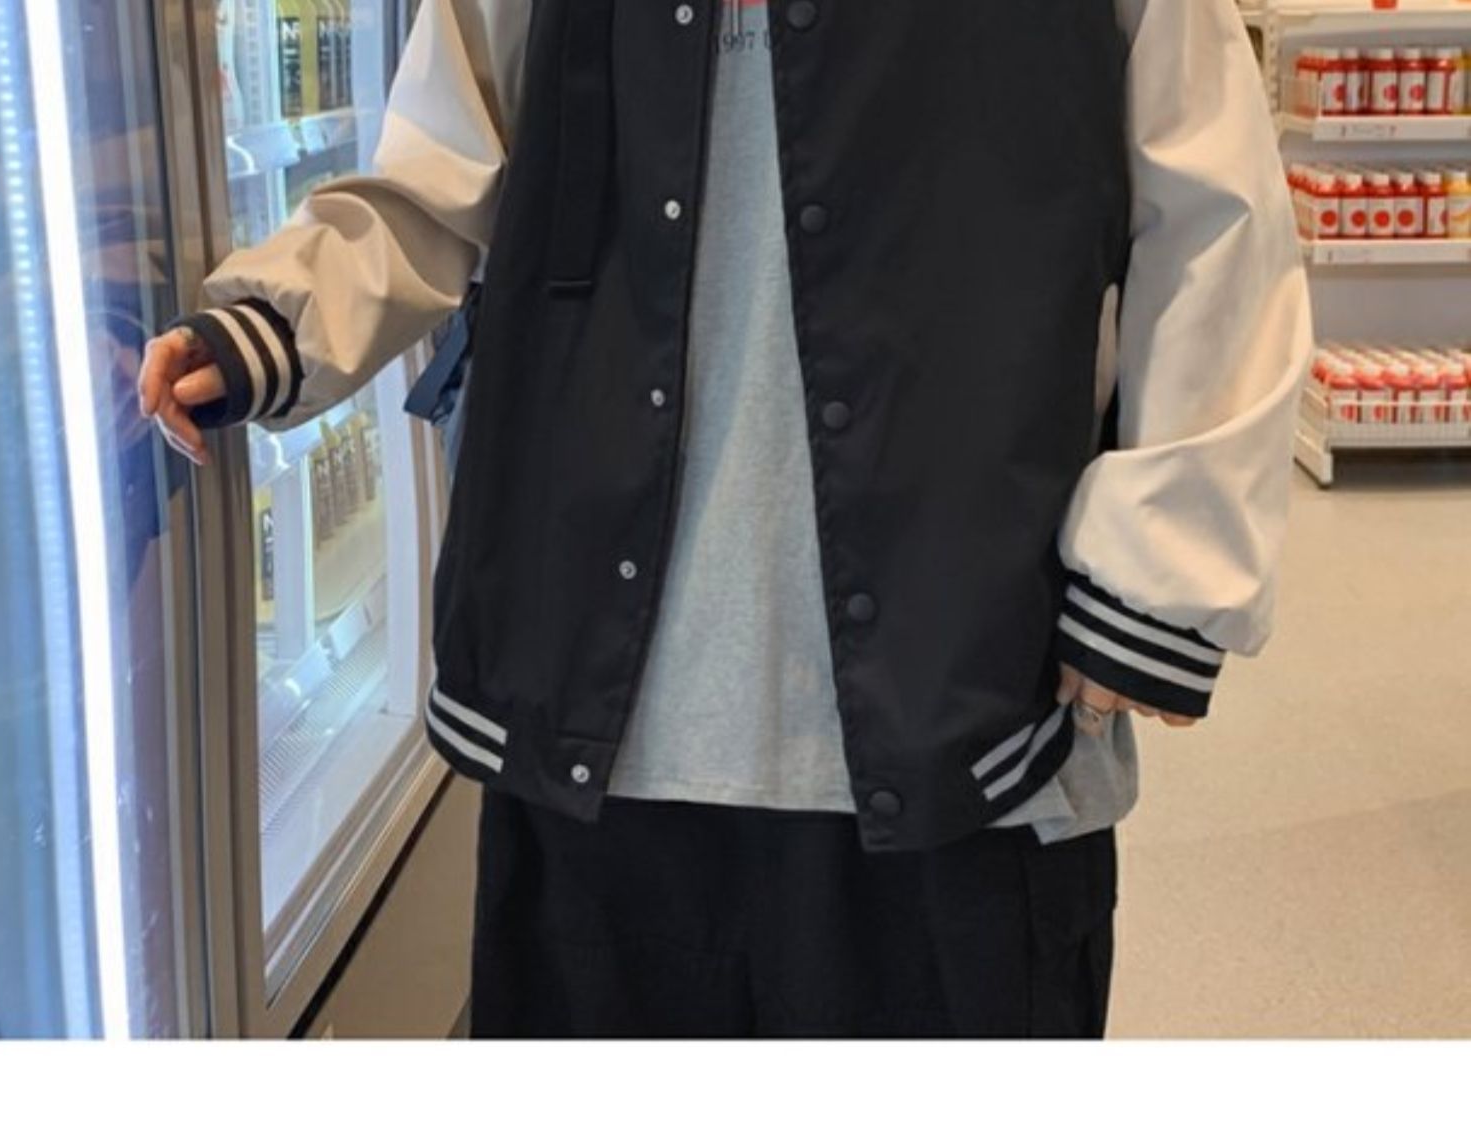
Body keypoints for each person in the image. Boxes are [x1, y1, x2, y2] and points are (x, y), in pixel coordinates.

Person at [139, 0, 1311, 1037]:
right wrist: (282, 318)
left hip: (965, 717)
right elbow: (440, 167)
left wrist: (1159, 570)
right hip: (592, 725)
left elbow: (1217, 211)